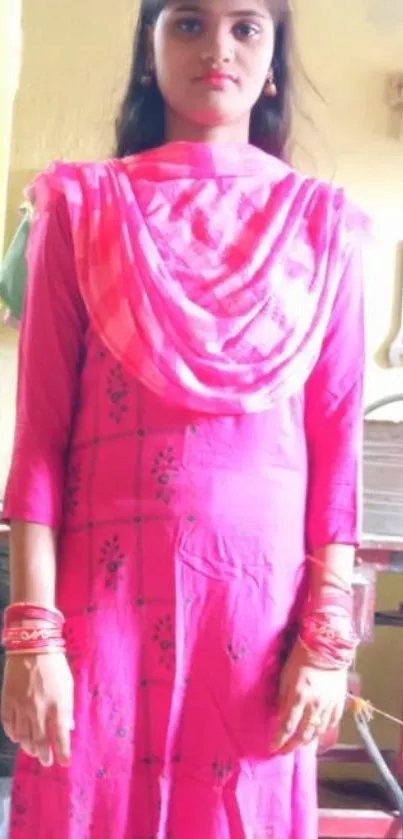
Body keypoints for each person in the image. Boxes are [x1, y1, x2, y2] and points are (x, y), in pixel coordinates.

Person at [0, 0, 368, 836]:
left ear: (273, 61)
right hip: (101, 604)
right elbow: (40, 441)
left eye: (245, 27)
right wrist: (31, 638)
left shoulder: (321, 224)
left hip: (257, 611)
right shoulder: (83, 209)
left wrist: (324, 638)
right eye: (188, 24)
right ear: (149, 49)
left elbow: (334, 446)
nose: (217, 49)